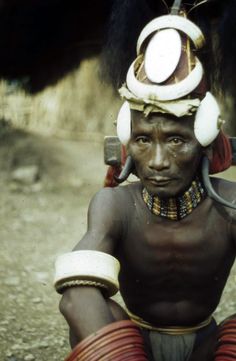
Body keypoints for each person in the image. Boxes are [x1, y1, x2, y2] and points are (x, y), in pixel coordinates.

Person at [54, 1, 236, 360]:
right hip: (129, 346)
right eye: (142, 140)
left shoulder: (229, 207)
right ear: (126, 142)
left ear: (203, 142)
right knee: (88, 301)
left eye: (176, 140)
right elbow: (75, 296)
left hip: (207, 348)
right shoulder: (115, 205)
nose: (156, 162)